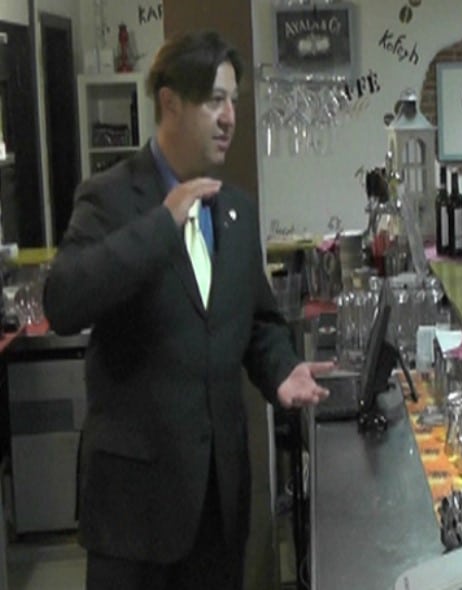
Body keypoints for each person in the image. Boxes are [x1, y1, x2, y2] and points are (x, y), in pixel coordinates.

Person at [43, 31, 331, 589]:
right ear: (170, 102)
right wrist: (162, 223)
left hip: (218, 507)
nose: (229, 117)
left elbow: (256, 322)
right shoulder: (108, 197)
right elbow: (64, 303)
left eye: (233, 101)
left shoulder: (237, 211)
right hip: (134, 515)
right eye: (214, 100)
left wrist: (280, 369)